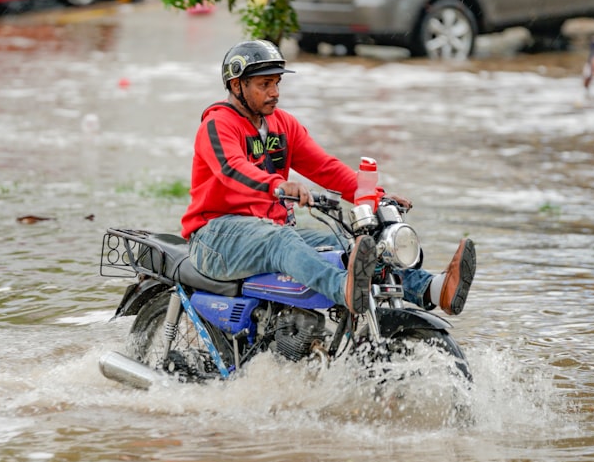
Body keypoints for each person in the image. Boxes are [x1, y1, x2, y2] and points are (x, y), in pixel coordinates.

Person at [181, 39, 476, 316]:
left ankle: (431, 289)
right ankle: (344, 290)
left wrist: (377, 198)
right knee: (281, 240)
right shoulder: (218, 123)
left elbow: (325, 168)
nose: (275, 92)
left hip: (268, 228)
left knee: (346, 240)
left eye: (277, 83)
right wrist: (278, 185)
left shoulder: (283, 124)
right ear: (237, 85)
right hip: (215, 237)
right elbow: (231, 169)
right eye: (264, 84)